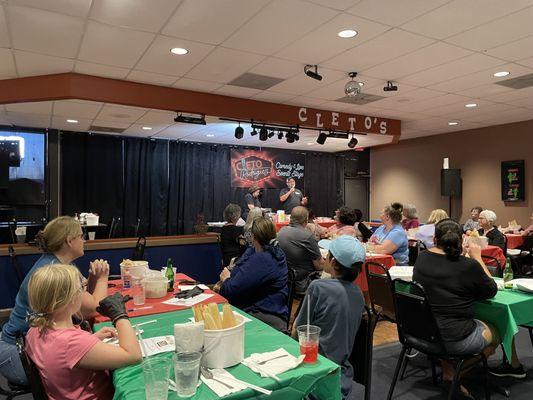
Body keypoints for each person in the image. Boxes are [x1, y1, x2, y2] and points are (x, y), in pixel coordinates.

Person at [0, 216, 110, 387]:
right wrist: (103, 279)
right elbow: (94, 308)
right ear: (69, 241)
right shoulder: (55, 270)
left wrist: (93, 278)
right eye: (81, 236)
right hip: (15, 355)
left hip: (24, 344)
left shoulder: (60, 263)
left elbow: (80, 303)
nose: (85, 240)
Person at [25, 264, 142, 400]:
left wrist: (92, 339)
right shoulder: (72, 342)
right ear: (69, 299)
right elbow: (133, 356)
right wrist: (119, 315)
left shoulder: (34, 330)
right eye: (81, 288)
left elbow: (63, 356)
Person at [413, 219, 501, 398]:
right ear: (461, 240)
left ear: (434, 239)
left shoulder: (421, 258)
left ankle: (449, 370)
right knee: (497, 333)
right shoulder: (468, 265)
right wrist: (477, 258)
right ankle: (453, 375)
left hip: (422, 332)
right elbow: (491, 290)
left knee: (446, 322)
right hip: (453, 338)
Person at [293, 235, 365, 400]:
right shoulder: (359, 295)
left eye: (328, 254)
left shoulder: (317, 288)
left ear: (333, 263)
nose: (324, 257)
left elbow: (301, 330)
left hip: (315, 374)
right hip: (342, 376)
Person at [219, 217, 288, 331]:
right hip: (263, 310)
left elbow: (229, 290)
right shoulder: (269, 251)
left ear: (253, 237)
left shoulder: (263, 259)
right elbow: (237, 269)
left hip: (264, 316)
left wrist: (226, 279)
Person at [278, 206, 324, 294]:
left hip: (285, 279)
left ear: (291, 218)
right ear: (306, 219)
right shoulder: (307, 236)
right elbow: (319, 266)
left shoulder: (281, 231)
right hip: (303, 281)